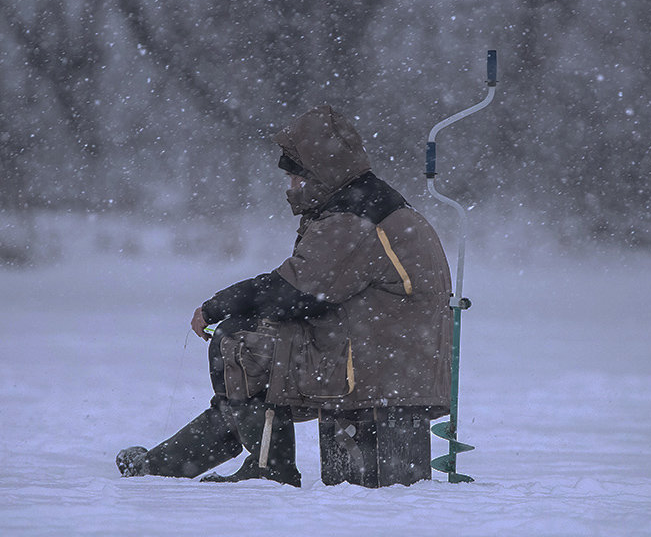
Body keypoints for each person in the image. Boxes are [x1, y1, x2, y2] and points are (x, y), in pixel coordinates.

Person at [116, 105, 452, 487]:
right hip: (392, 357)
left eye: (293, 178)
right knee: (250, 356)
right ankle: (164, 465)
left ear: (317, 175)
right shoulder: (371, 205)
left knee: (241, 343)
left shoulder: (354, 217)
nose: (290, 188)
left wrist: (217, 305)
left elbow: (296, 292)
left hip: (376, 363)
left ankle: (268, 469)